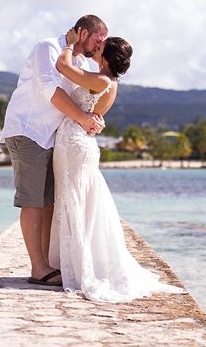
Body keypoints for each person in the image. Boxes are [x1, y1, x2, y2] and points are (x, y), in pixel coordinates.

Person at [48, 27, 188, 302]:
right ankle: (73, 264)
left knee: (75, 201)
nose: (95, 49)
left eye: (100, 48)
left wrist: (70, 42)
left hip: (75, 143)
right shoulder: (108, 83)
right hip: (78, 142)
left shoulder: (101, 80)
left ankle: (78, 268)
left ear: (107, 57)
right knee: (78, 201)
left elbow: (62, 66)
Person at [0, 15, 108, 287]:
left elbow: (84, 97)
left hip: (54, 138)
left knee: (50, 200)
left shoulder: (80, 62)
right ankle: (38, 268)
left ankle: (48, 263)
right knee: (33, 200)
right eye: (98, 39)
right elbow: (50, 90)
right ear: (83, 32)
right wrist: (83, 119)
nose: (100, 45)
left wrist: (93, 116)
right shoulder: (47, 48)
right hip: (29, 130)